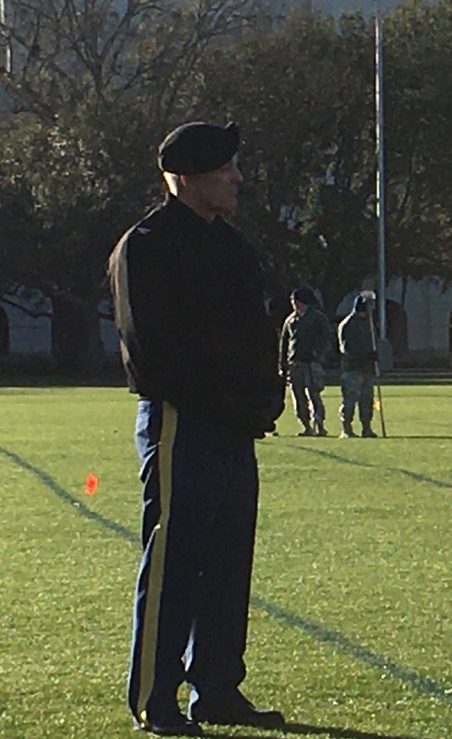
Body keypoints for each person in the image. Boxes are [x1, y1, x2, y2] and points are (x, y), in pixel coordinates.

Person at [108, 121, 286, 735]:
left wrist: (264, 399)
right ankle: (154, 697)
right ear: (187, 179)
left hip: (234, 427)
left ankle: (216, 688)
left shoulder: (233, 248)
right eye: (225, 169)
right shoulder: (147, 246)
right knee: (175, 560)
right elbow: (151, 352)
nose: (237, 178)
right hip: (184, 422)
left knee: (229, 560)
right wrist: (224, 402)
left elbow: (258, 336)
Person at [279, 286, 332, 436]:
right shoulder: (290, 320)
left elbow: (327, 337)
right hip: (295, 363)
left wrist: (317, 352)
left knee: (313, 393)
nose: (294, 304)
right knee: (298, 396)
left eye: (295, 301)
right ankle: (306, 425)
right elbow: (284, 342)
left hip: (312, 363)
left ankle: (319, 423)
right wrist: (282, 364)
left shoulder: (317, 317)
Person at [337, 295, 379, 438]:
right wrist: (364, 355)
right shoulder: (348, 324)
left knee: (367, 400)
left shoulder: (369, 323)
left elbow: (373, 342)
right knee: (350, 400)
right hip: (352, 369)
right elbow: (346, 349)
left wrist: (374, 356)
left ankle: (366, 427)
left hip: (367, 368)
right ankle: (346, 428)